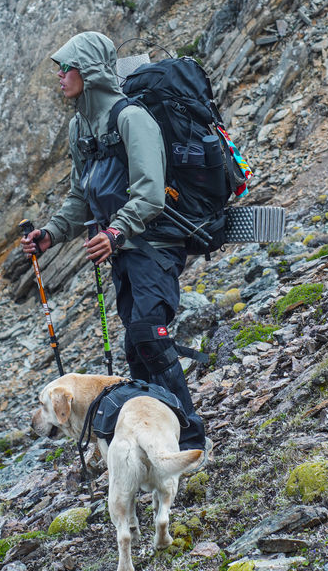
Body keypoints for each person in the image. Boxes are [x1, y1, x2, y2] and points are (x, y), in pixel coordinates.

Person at [21, 31, 205, 450]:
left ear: (88, 71)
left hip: (155, 245)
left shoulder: (131, 118)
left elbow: (150, 193)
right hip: (122, 253)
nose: (61, 77)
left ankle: (191, 438)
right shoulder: (80, 127)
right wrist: (51, 233)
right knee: (137, 349)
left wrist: (115, 231)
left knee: (148, 336)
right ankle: (159, 437)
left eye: (66, 68)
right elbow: (80, 196)